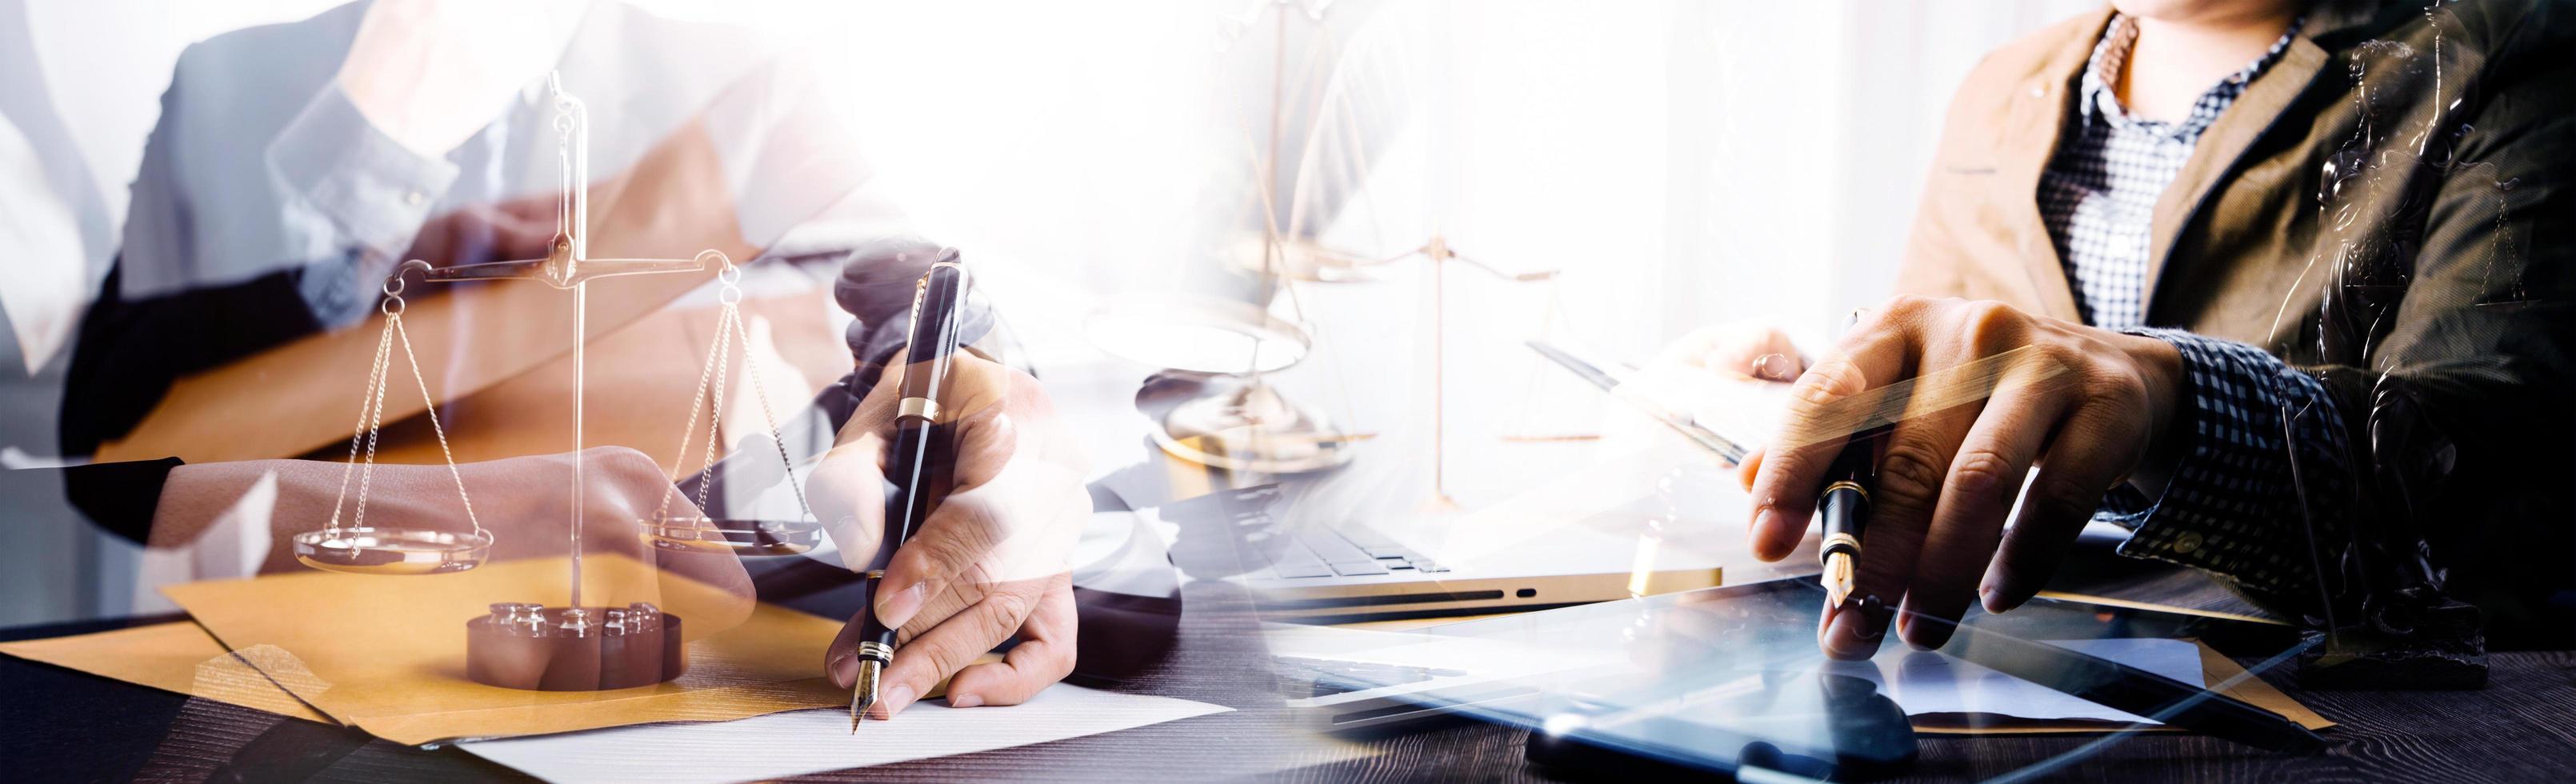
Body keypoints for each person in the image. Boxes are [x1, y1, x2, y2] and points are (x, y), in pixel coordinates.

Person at [48, 0, 1093, 716]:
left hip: (706, 671)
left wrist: (989, 389)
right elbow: (106, 448)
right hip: (314, 677)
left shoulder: (740, 71)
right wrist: (370, 147)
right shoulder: (231, 79)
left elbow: (902, 273)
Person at [1675, 0, 2574, 658]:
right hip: (2001, 665)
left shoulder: (2510, 51)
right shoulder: (2002, 86)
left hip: (2342, 692)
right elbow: (1958, 385)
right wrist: (1824, 409)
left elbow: (2498, 479)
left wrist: (2170, 400)